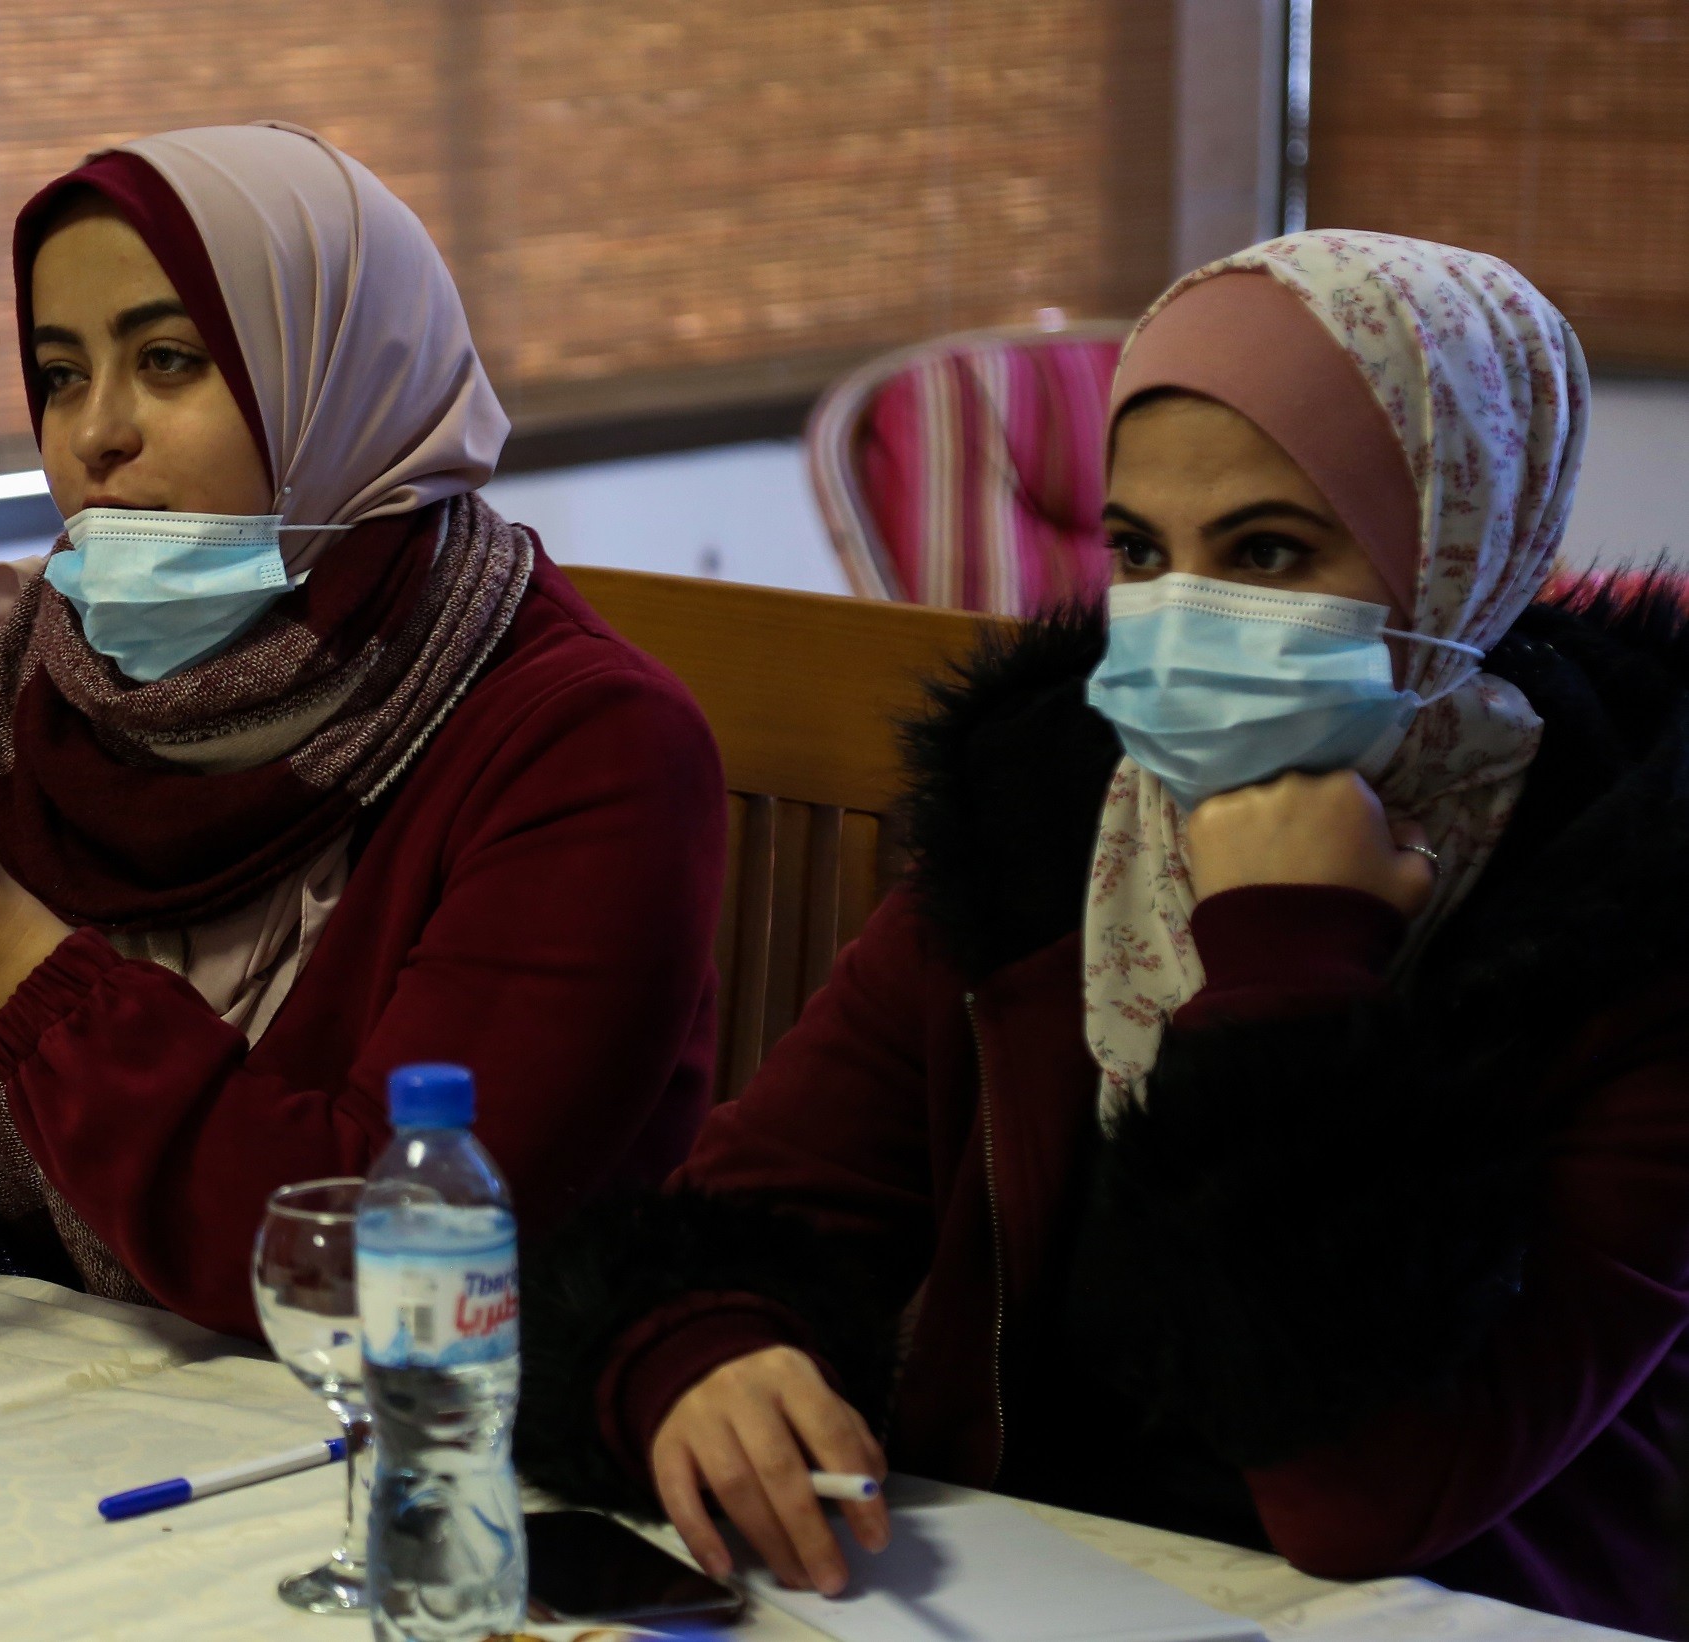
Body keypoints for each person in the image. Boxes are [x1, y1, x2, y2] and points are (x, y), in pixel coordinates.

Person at [517, 233, 1688, 1635]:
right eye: (1139, 550)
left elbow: (1361, 1497)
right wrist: (686, 1354)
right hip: (1027, 1585)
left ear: (1456, 560)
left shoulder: (1627, 914)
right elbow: (739, 1215)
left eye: (1266, 552)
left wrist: (1285, 949)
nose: (1180, 621)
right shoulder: (1047, 820)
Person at [0, 122, 726, 1334]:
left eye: (166, 360)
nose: (95, 430)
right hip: (72, 1391)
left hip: (426, 1419)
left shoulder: (587, 743)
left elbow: (380, 1262)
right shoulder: (36, 680)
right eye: (60, 373)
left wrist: (7, 960)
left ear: (337, 375)